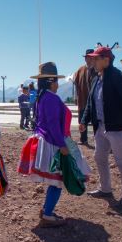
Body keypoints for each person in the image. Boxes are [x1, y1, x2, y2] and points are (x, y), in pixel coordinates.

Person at [18, 62, 91, 227]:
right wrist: (62, 145)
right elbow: (52, 124)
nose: (58, 84)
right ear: (51, 81)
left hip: (48, 140)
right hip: (54, 142)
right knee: (58, 180)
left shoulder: (42, 96)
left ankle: (47, 210)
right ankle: (48, 214)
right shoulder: (51, 98)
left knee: (55, 181)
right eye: (57, 81)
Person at [80, 47, 122, 209]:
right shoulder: (96, 78)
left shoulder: (118, 77)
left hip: (116, 127)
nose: (93, 61)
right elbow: (91, 102)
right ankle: (105, 188)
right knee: (100, 157)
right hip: (101, 127)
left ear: (106, 60)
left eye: (96, 59)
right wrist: (84, 120)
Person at [73, 49, 98, 145]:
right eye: (87, 57)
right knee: (82, 120)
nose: (89, 59)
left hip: (95, 101)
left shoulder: (98, 69)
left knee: (96, 121)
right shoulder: (80, 70)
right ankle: (83, 139)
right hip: (83, 100)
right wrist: (75, 97)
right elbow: (76, 84)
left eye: (91, 57)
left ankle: (98, 141)